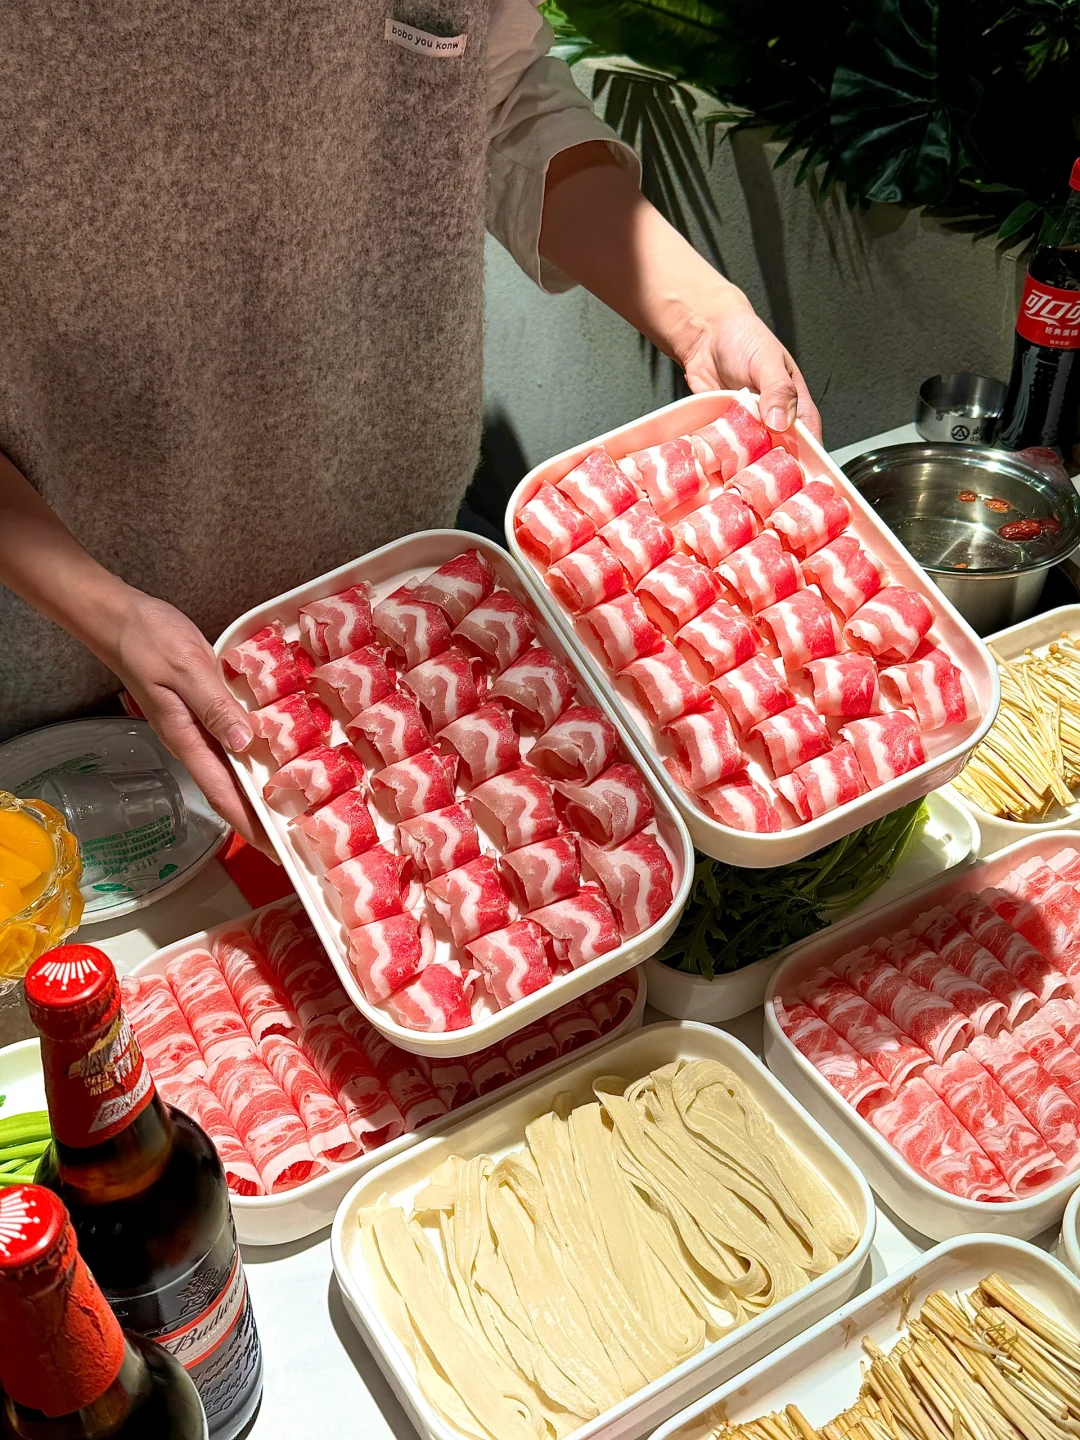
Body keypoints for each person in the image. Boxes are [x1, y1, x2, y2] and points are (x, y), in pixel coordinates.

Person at [0, 0, 819, 852]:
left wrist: (702, 318)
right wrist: (109, 617)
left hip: (397, 588)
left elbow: (493, 97)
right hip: (67, 637)